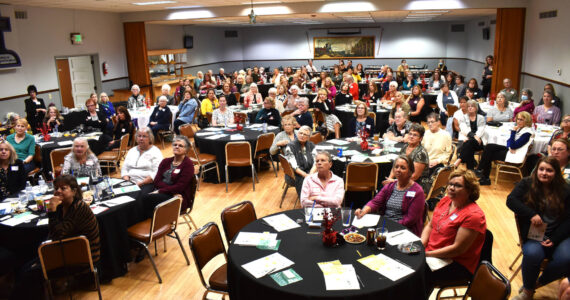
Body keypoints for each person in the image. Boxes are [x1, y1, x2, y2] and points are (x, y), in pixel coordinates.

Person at [507, 156, 570, 300]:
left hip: (560, 235)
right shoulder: (527, 183)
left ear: (556, 173)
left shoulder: (566, 190)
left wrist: (555, 238)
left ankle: (536, 284)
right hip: (536, 234)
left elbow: (569, 220)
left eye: (549, 170)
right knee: (532, 254)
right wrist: (531, 214)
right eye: (541, 169)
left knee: (566, 259)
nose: (544, 173)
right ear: (536, 170)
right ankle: (527, 293)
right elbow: (511, 200)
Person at [421, 169, 486, 293]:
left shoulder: (474, 215)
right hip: (432, 253)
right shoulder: (446, 201)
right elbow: (430, 225)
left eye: (458, 186)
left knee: (417, 274)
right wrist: (421, 245)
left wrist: (426, 254)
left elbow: (457, 249)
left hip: (455, 263)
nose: (451, 188)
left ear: (470, 190)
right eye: (450, 184)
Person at [356, 155, 426, 236]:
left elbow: (410, 220)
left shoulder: (417, 192)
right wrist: (364, 210)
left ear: (410, 172)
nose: (398, 170)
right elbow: (375, 202)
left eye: (403, 168)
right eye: (396, 167)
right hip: (385, 225)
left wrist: (390, 227)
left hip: (404, 230)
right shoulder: (390, 186)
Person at [48, 175, 100, 264]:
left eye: (63, 188)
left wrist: (52, 211)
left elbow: (58, 235)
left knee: (28, 272)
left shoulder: (79, 207)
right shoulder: (60, 206)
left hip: (83, 255)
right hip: (67, 249)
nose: (58, 191)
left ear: (74, 191)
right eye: (56, 188)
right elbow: (53, 234)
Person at [476, 111, 534, 185]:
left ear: (527, 121)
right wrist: (511, 146)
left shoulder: (527, 133)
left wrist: (513, 132)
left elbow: (513, 145)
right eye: (518, 119)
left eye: (521, 120)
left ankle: (483, 175)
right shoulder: (520, 128)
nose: (518, 121)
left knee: (489, 154)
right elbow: (509, 141)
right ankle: (481, 171)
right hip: (511, 150)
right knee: (489, 146)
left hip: (515, 154)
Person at [143, 135, 195, 216]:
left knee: (146, 199)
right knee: (140, 193)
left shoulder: (188, 165)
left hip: (178, 198)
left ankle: (153, 224)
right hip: (170, 192)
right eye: (175, 145)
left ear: (186, 150)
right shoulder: (165, 161)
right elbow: (156, 181)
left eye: (180, 146)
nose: (177, 147)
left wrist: (160, 191)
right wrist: (168, 190)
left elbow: (180, 187)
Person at [385, 124, 430, 193]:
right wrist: (390, 178)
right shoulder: (405, 147)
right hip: (402, 180)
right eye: (410, 134)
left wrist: (395, 182)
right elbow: (396, 165)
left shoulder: (421, 153)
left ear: (420, 138)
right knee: (384, 189)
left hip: (418, 185)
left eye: (415, 135)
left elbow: (414, 176)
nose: (411, 136)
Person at [121, 127, 163, 195]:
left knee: (137, 196)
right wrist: (127, 181)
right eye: (139, 136)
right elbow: (125, 168)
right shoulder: (132, 150)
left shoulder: (156, 152)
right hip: (130, 181)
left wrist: (140, 183)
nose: (141, 138)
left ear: (150, 138)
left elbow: (156, 172)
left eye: (144, 136)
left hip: (146, 183)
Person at [284, 126, 316, 197]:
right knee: (307, 181)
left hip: (309, 172)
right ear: (297, 133)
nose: (302, 135)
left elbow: (316, 162)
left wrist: (311, 173)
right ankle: (306, 200)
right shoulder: (290, 146)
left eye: (305, 134)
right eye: (300, 133)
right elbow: (293, 166)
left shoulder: (311, 145)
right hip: (295, 175)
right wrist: (305, 175)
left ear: (308, 137)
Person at [454, 100, 486, 170]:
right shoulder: (463, 117)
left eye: (472, 106)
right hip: (468, 140)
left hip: (479, 142)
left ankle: (459, 159)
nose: (470, 108)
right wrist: (474, 137)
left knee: (468, 143)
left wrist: (474, 137)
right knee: (469, 146)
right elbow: (464, 129)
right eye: (468, 106)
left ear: (476, 108)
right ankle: (470, 170)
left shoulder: (481, 118)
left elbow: (481, 130)